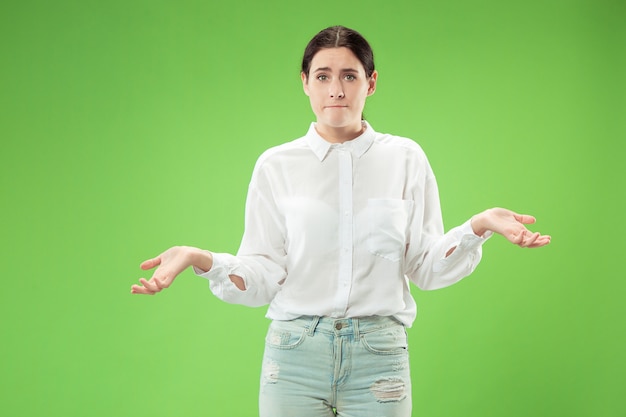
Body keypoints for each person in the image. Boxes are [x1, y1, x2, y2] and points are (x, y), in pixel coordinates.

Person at [130, 25, 551, 417]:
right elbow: (262, 274)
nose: (336, 89)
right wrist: (203, 258)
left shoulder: (405, 159)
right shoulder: (277, 165)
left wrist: (477, 226)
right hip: (294, 354)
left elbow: (424, 266)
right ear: (305, 82)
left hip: (380, 354)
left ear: (371, 82)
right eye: (323, 76)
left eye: (349, 76)